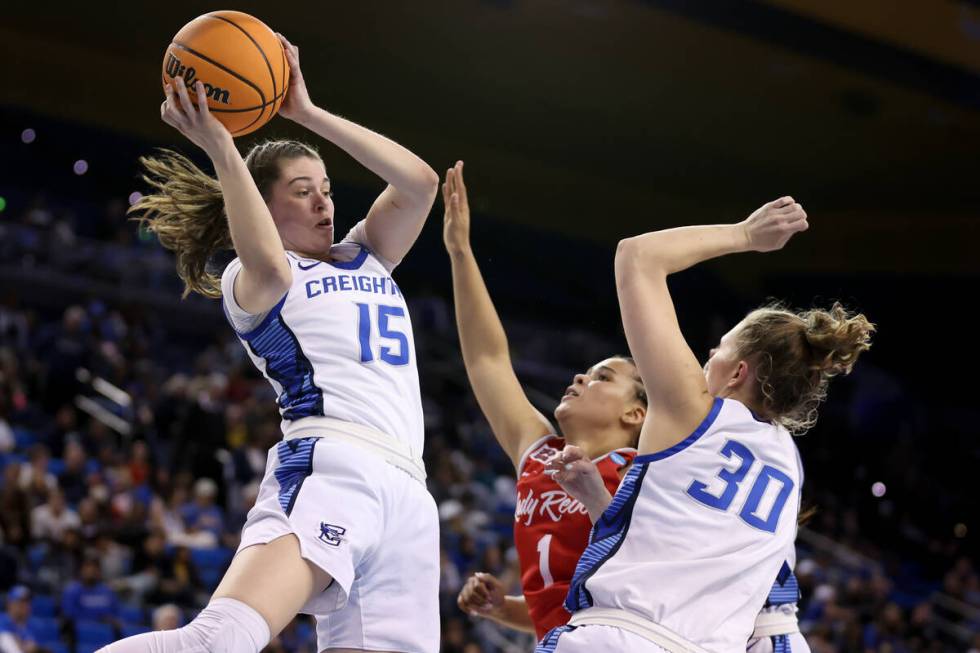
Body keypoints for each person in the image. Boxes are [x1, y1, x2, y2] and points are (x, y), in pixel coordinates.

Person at [102, 33, 440, 653]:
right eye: (302, 191)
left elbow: (419, 184)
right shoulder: (251, 278)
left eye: (327, 188)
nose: (324, 203)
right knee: (218, 642)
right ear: (261, 202)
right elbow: (272, 267)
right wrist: (224, 149)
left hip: (411, 495)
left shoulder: (367, 257)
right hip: (332, 464)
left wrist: (307, 114)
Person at [537, 197, 874, 652]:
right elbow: (677, 554)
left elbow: (637, 257)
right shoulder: (789, 468)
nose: (707, 358)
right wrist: (599, 498)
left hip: (615, 637)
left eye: (718, 349)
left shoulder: (695, 410)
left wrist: (746, 235)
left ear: (738, 373)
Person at [443, 164, 645, 640]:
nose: (580, 376)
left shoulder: (647, 468)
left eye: (602, 377)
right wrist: (460, 252)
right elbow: (488, 361)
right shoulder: (539, 455)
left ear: (635, 413)